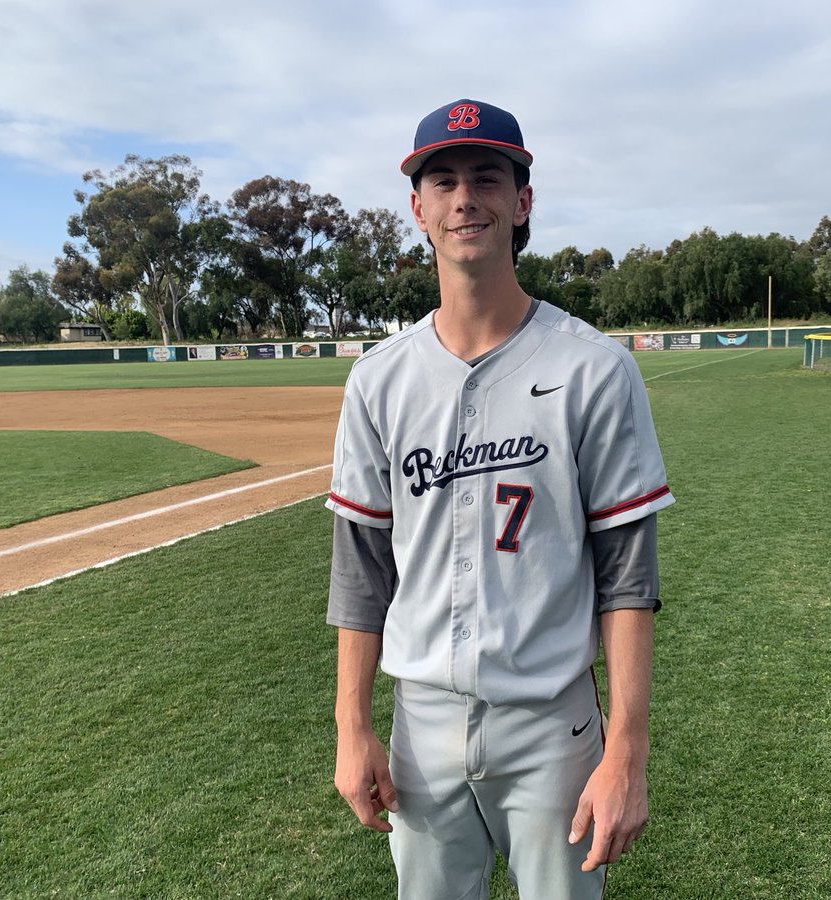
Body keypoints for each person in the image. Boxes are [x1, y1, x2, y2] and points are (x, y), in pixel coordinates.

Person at [326, 99, 674, 899]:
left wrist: (627, 750)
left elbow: (627, 576)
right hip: (422, 724)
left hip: (552, 725)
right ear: (418, 208)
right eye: (442, 181)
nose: (464, 198)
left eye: (487, 177)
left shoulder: (593, 367)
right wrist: (352, 726)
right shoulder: (379, 378)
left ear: (522, 201)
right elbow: (362, 567)